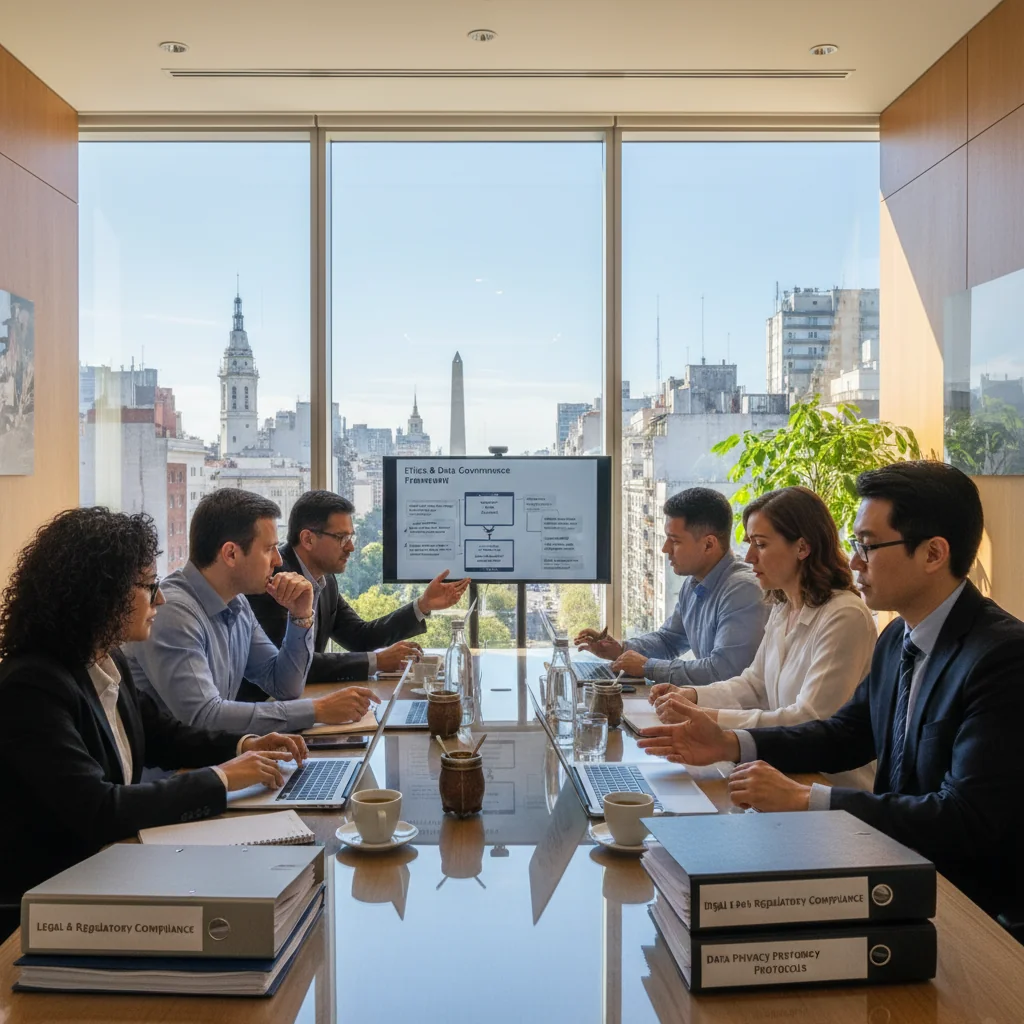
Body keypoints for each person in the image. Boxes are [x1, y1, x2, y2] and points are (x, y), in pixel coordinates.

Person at [637, 462, 1024, 929]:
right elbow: (845, 733)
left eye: (869, 545)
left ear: (934, 553)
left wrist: (807, 800)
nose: (855, 560)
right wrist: (729, 744)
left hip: (965, 907)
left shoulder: (1002, 658)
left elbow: (964, 819)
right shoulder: (899, 635)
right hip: (893, 866)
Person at [0, 508, 309, 941]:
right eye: (148, 587)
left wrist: (245, 746)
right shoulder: (32, 686)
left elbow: (166, 737)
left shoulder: (106, 660)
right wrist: (221, 779)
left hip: (113, 868)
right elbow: (99, 809)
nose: (159, 600)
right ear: (100, 595)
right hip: (49, 907)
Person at [650, 487, 877, 789]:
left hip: (828, 791)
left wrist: (711, 719)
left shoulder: (844, 616)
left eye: (761, 544)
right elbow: (754, 684)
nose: (750, 557)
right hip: (781, 774)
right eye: (749, 544)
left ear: (802, 547)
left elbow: (809, 719)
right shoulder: (783, 607)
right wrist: (692, 696)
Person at [124, 489, 377, 735]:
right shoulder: (173, 612)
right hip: (180, 774)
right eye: (269, 549)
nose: (278, 560)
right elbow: (203, 717)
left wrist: (300, 616)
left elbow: (284, 685)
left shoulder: (238, 603)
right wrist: (317, 710)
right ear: (231, 554)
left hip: (220, 763)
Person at [246, 490, 469, 684]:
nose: (351, 547)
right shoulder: (272, 579)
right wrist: (376, 661)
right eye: (341, 538)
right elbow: (289, 665)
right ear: (308, 539)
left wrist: (423, 604)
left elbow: (359, 637)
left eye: (351, 537)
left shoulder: (326, 580)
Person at [574, 487, 767, 685]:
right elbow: (669, 640)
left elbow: (723, 671)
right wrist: (620, 650)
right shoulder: (693, 584)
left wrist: (647, 667)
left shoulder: (743, 590)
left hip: (736, 713)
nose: (665, 549)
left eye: (674, 541)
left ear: (709, 544)